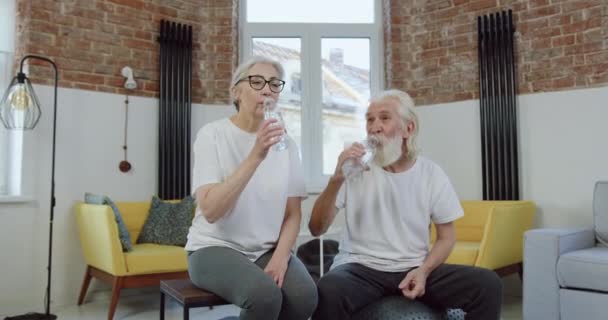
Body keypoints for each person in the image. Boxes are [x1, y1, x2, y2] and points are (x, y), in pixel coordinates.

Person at [309, 89, 503, 320]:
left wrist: (423, 271)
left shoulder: (431, 173)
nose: (374, 127)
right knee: (329, 289)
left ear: (408, 129)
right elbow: (316, 228)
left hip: (414, 267)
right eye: (370, 119)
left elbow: (446, 238)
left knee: (488, 284)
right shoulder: (353, 171)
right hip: (361, 269)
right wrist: (337, 177)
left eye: (384, 118)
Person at [185, 56, 317, 320]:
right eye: (257, 82)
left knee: (305, 298)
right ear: (236, 91)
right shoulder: (212, 135)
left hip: (265, 250)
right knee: (264, 296)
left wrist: (281, 257)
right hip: (212, 247)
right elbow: (210, 210)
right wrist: (256, 154)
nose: (267, 89)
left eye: (274, 84)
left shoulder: (287, 145)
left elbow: (293, 214)